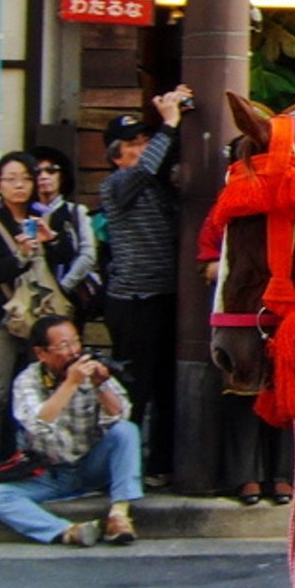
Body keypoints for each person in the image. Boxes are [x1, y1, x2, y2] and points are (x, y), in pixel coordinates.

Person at [0, 314, 142, 547]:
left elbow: (119, 416)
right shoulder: (27, 380)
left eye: (75, 342)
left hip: (89, 465)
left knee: (126, 431)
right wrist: (70, 383)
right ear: (41, 353)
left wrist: (101, 385)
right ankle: (67, 531)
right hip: (48, 473)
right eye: (64, 345)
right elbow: (38, 426)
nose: (74, 351)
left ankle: (119, 515)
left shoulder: (88, 369)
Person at [101, 86, 193, 484]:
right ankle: (125, 467)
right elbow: (143, 170)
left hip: (167, 295)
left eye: (143, 141)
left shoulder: (157, 184)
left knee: (167, 385)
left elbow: (160, 167)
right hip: (133, 298)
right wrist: (168, 125)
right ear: (115, 155)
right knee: (134, 387)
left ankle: (160, 465)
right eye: (133, 144)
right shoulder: (116, 186)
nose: (141, 148)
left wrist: (176, 116)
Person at [0, 152, 63, 462]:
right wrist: (22, 254)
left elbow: (65, 261)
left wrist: (51, 241)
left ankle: (34, 456)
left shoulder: (44, 216)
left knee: (36, 390)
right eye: (10, 179)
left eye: (25, 178)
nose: (19, 185)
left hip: (39, 316)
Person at [31, 145, 100, 314]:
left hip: (70, 295)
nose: (44, 176)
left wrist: (64, 286)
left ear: (61, 176)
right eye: (37, 172)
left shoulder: (76, 211)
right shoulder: (26, 213)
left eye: (51, 170)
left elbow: (88, 254)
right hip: (32, 297)